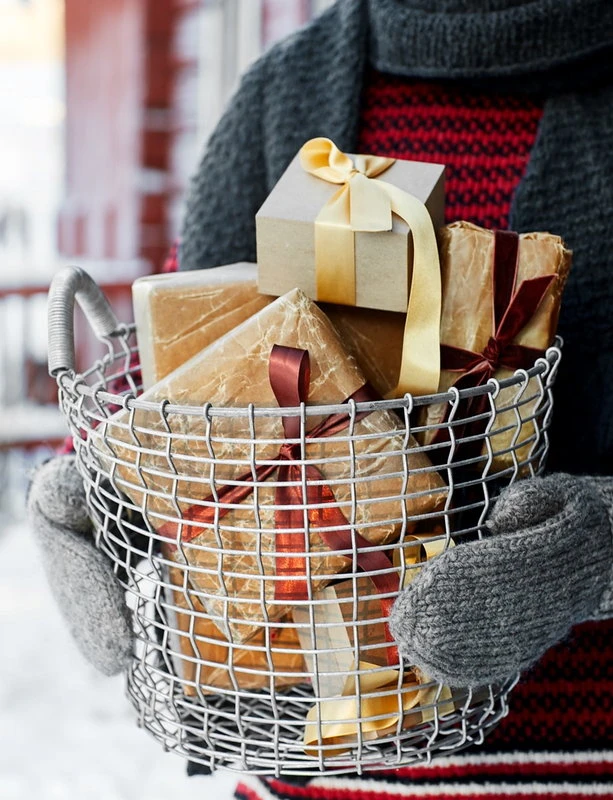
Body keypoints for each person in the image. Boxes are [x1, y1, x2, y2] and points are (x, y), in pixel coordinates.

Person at [28, 0, 613, 797]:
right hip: (304, 761)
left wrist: (593, 555)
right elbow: (183, 364)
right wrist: (87, 483)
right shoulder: (288, 91)